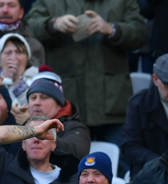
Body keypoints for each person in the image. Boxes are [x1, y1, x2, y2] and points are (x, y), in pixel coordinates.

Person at [25, 0, 148, 144]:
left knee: (118, 162)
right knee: (68, 162)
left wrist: (111, 29)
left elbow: (141, 32)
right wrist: (53, 24)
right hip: (68, 105)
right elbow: (29, 27)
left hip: (112, 104)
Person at [19, 68, 91, 161]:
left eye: (44, 98)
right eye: (33, 98)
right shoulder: (20, 122)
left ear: (59, 105)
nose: (37, 102)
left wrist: (38, 130)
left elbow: (76, 152)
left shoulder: (75, 127)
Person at [121, 53, 168, 178]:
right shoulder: (138, 104)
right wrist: (160, 162)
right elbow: (130, 146)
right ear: (155, 79)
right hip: (148, 177)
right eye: (167, 86)